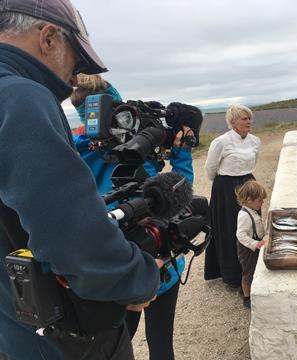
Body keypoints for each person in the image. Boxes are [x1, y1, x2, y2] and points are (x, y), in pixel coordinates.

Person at [0, 1, 162, 359]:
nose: (74, 77)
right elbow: (70, 235)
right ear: (48, 39)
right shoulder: (20, 97)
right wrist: (137, 279)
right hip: (57, 336)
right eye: (76, 61)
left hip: (11, 326)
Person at [70, 74, 194, 360]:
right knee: (161, 343)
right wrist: (181, 154)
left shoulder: (72, 150)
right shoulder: (136, 151)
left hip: (113, 267)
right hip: (159, 263)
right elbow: (176, 196)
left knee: (115, 347)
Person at [204, 105, 261, 288]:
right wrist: (224, 186)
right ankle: (233, 275)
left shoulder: (255, 141)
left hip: (248, 185)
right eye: (244, 118)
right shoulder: (221, 142)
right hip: (226, 189)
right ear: (233, 121)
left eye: (249, 118)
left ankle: (252, 269)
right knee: (229, 229)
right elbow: (210, 170)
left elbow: (253, 163)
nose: (248, 121)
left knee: (253, 225)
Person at [235, 181, 267, 308]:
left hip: (253, 245)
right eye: (260, 200)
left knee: (253, 269)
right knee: (248, 271)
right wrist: (255, 244)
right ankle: (247, 296)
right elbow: (241, 235)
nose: (262, 203)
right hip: (247, 249)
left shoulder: (252, 210)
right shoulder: (244, 216)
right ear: (249, 200)